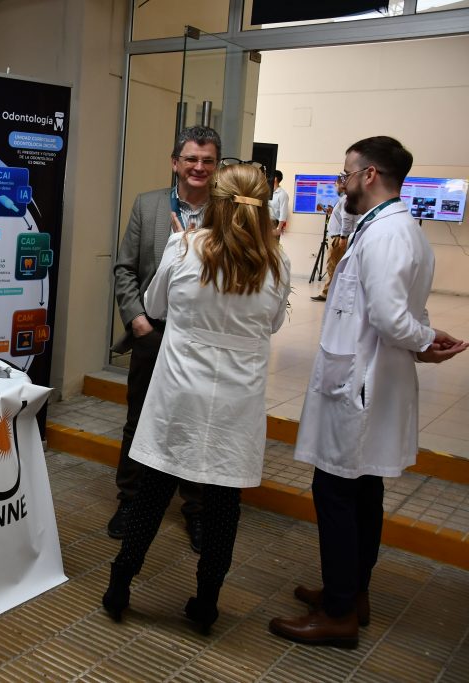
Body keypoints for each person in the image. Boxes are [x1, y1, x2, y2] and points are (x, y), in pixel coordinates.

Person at [269, 136, 468, 649]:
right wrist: (423, 340)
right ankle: (351, 593)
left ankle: (338, 613)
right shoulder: (395, 228)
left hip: (360, 384)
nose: (342, 183)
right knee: (361, 493)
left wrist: (423, 338)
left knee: (336, 493)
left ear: (370, 175)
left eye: (347, 174)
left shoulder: (386, 233)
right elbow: (403, 310)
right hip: (366, 375)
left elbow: (390, 316)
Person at [103, 163, 291, 634]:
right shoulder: (276, 262)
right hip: (236, 403)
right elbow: (272, 324)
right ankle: (206, 604)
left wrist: (181, 244)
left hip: (179, 395)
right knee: (224, 505)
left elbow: (156, 307)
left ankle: (120, 586)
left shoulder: (185, 246)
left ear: (216, 205)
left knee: (152, 493)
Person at [109, 126, 221, 550]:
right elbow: (125, 268)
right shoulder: (149, 204)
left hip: (204, 338)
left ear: (216, 167)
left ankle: (198, 510)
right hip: (154, 333)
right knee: (140, 418)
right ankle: (130, 501)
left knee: (199, 423)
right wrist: (136, 319)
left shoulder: (227, 212)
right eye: (191, 158)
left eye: (207, 160)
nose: (198, 167)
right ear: (175, 162)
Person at [311, 182, 358, 302]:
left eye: (336, 185)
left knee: (333, 267)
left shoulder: (346, 199)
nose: (335, 187)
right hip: (338, 237)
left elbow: (347, 219)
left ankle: (327, 294)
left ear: (343, 185)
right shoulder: (345, 199)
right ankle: (331, 293)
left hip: (338, 238)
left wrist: (343, 236)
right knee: (334, 266)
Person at [269, 170, 290, 237]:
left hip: (274, 223)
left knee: (272, 243)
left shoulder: (282, 194)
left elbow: (283, 213)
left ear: (275, 179)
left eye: (269, 177)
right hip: (265, 221)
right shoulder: (268, 192)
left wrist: (278, 229)